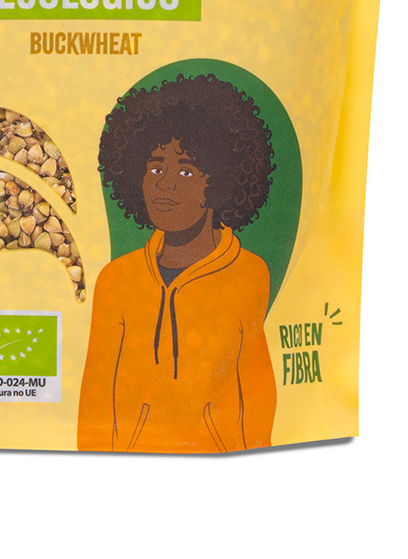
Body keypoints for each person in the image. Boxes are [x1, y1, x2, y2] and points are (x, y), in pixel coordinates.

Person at [77, 73, 278, 453]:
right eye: (155, 168)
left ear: (220, 182)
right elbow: (96, 400)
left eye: (186, 171)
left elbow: (255, 396)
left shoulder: (249, 274)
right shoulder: (116, 279)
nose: (164, 184)